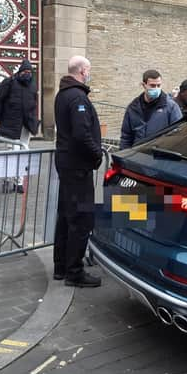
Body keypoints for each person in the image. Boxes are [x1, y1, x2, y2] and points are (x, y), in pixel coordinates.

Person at [53, 55, 102, 288]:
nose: (89, 73)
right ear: (82, 71)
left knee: (65, 215)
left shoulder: (63, 94)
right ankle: (74, 271)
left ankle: (60, 267)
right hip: (77, 167)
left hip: (66, 164)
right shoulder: (77, 97)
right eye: (89, 70)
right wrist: (97, 154)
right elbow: (81, 134)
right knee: (81, 220)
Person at [0, 59, 40, 193]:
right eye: (25, 71)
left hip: (26, 125)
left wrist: (34, 121)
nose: (27, 74)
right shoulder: (9, 82)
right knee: (11, 152)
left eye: (29, 72)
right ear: (19, 72)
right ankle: (7, 180)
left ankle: (19, 182)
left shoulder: (33, 85)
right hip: (10, 124)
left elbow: (34, 103)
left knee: (23, 152)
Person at [120, 69, 182, 149]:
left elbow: (178, 134)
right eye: (152, 85)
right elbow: (126, 136)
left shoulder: (171, 107)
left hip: (160, 156)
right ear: (144, 85)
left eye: (159, 85)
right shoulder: (133, 107)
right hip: (137, 154)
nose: (156, 88)